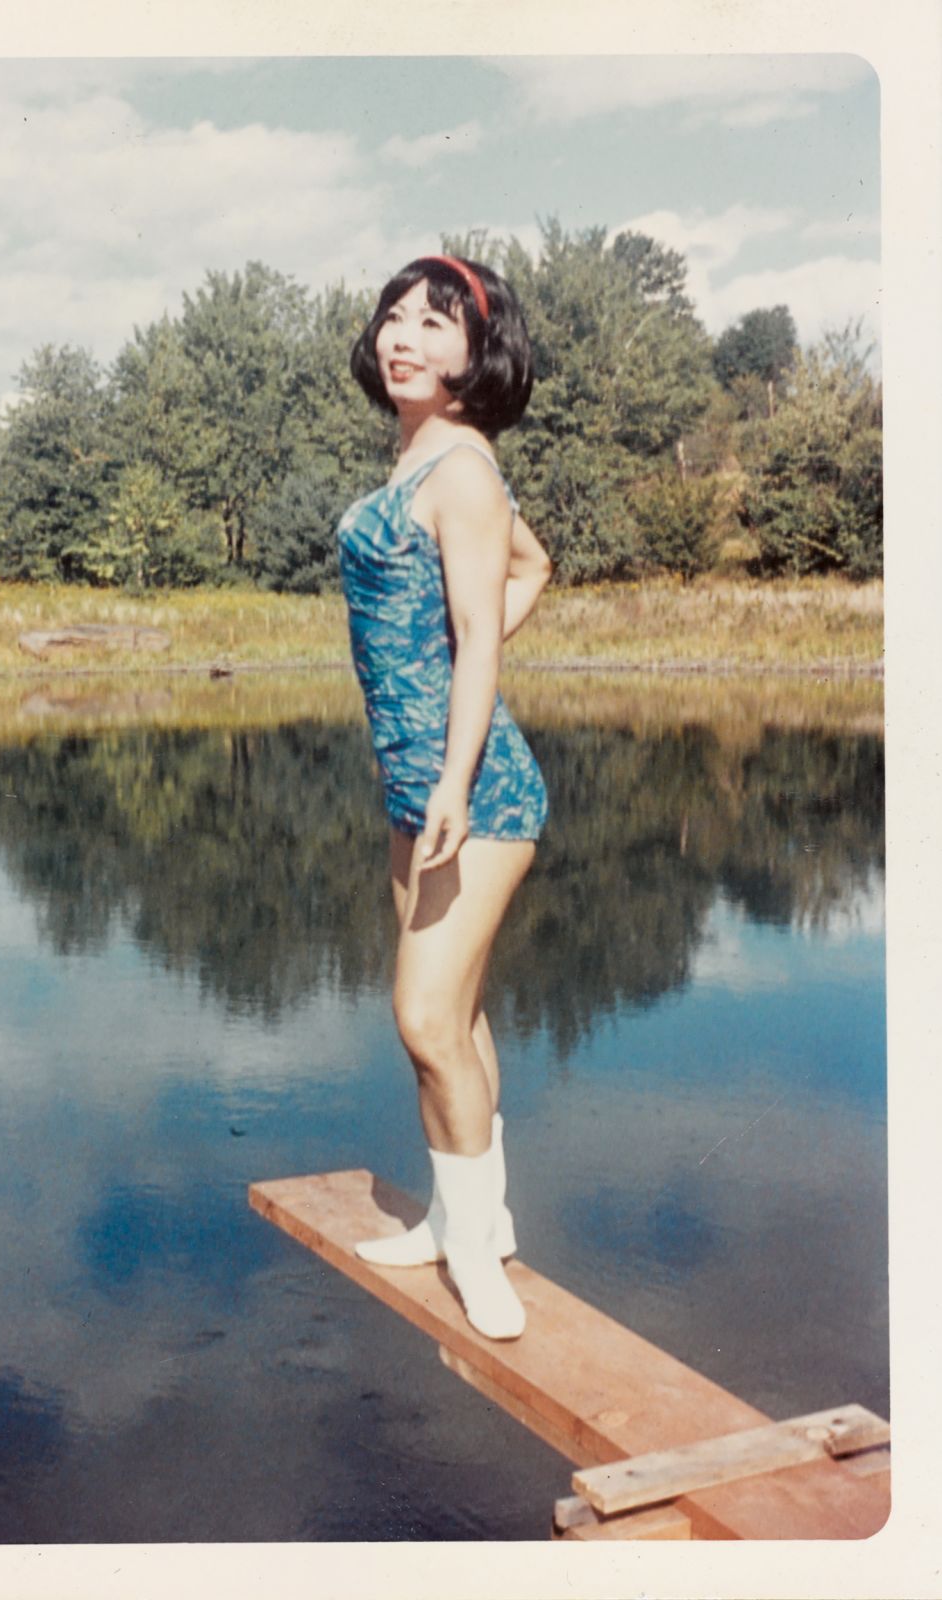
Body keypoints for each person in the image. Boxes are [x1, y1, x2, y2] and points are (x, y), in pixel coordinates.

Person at [337, 255, 552, 1340]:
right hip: (416, 784)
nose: (402, 334)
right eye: (393, 315)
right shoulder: (424, 459)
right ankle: (473, 1217)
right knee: (455, 1017)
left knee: (422, 1017)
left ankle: (475, 1254)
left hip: (474, 792)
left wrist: (457, 777)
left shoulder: (461, 469)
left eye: (434, 320)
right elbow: (534, 565)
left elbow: (478, 644)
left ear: (478, 350)